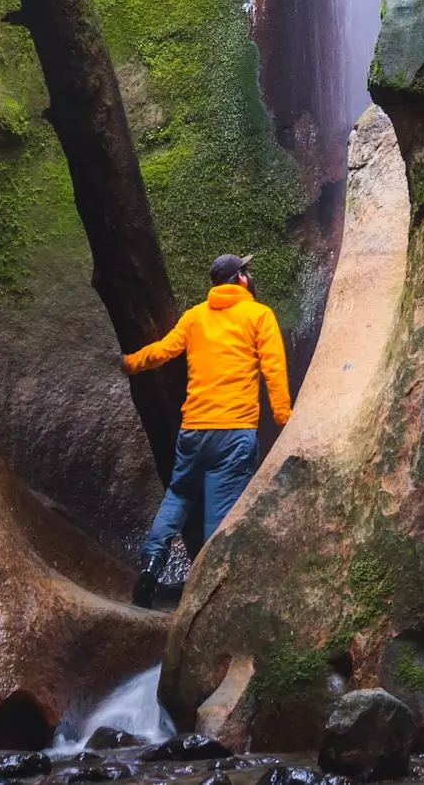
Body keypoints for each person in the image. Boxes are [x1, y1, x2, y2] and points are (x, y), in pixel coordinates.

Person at [120, 252, 292, 608]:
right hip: (233, 434)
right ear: (241, 279)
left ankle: (153, 562)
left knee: (178, 496)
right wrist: (283, 417)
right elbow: (273, 369)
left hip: (194, 431)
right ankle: (213, 599)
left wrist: (131, 363)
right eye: (247, 271)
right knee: (221, 516)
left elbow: (163, 351)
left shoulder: (195, 316)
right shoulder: (259, 315)